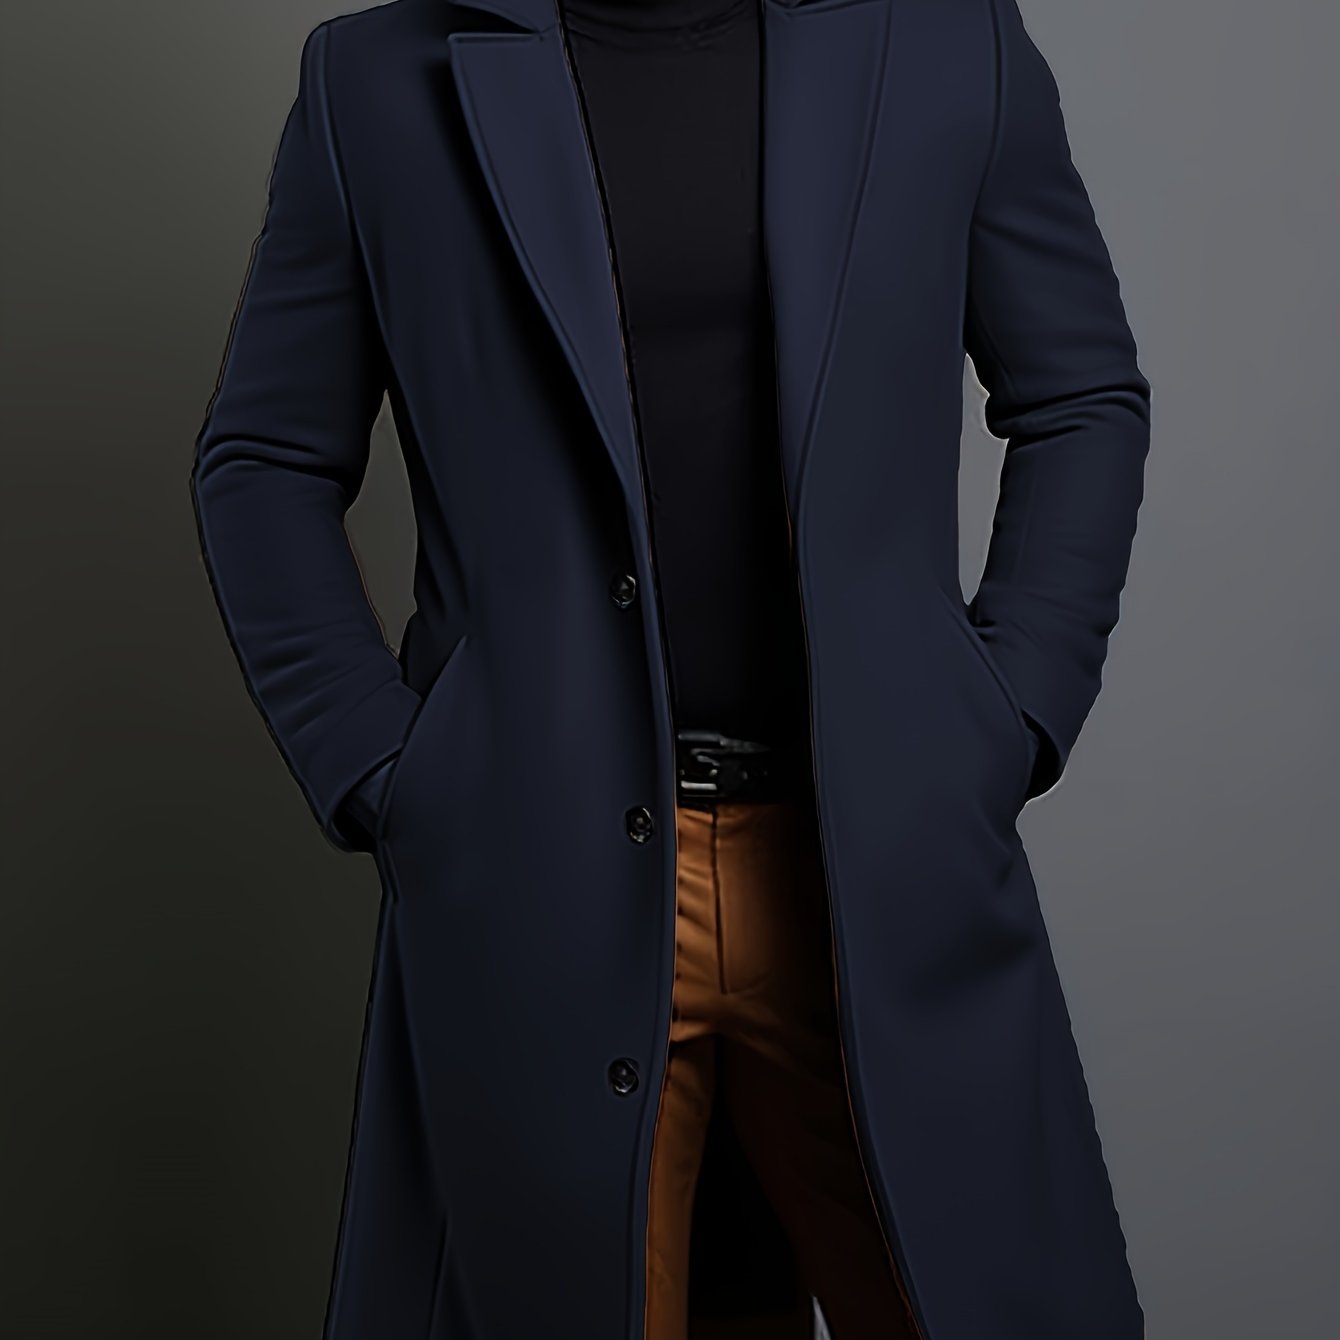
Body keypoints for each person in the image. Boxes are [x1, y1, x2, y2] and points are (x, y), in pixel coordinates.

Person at [190, 0, 1151, 1336]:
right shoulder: (374, 80)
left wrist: (1009, 712)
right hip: (543, 884)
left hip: (873, 872)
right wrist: (385, 769)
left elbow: (1080, 395)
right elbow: (264, 459)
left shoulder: (945, 45)